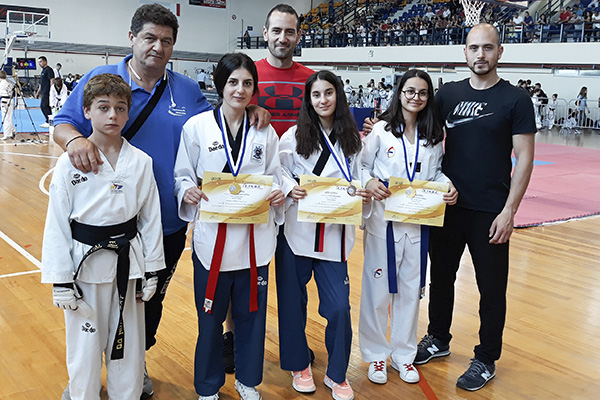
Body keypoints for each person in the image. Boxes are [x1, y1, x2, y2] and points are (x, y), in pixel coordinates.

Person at [52, 4, 270, 398]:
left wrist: (247, 104)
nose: (158, 46)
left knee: (146, 303)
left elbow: (218, 124)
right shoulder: (102, 79)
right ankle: (83, 379)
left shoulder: (185, 89)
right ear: (132, 38)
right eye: (150, 38)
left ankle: (134, 363)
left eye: (166, 41)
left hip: (164, 221)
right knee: (89, 310)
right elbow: (63, 123)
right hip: (102, 220)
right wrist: (74, 141)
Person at [413, 23, 536, 392]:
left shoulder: (516, 99)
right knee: (441, 279)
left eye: (487, 47)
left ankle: (485, 358)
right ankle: (438, 337)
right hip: (448, 204)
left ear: (500, 52)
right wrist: (381, 127)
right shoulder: (447, 94)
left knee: (491, 288)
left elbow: (525, 158)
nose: (480, 54)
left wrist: (509, 211)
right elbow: (417, 130)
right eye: (473, 48)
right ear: (464, 52)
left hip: (491, 210)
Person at [41, 73, 165, 400]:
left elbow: (150, 219)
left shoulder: (141, 162)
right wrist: (60, 279)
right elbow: (57, 222)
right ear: (86, 111)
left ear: (128, 113)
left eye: (120, 108)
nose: (113, 115)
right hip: (84, 267)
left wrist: (153, 270)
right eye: (103, 107)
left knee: (129, 345)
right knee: (84, 345)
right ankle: (83, 394)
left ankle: (128, 395)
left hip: (128, 265)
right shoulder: (69, 163)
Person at [174, 52, 284, 400]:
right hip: (212, 243)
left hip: (255, 242)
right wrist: (186, 190)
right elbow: (182, 174)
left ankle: (247, 381)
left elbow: (276, 175)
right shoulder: (196, 127)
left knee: (251, 316)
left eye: (248, 83)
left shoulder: (265, 130)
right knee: (209, 319)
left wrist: (278, 192)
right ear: (219, 85)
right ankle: (208, 387)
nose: (240, 89)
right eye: (233, 82)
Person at [358, 69, 457, 386]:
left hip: (417, 223)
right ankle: (376, 354)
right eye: (410, 91)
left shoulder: (432, 135)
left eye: (423, 93)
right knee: (377, 291)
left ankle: (404, 355)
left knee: (411, 292)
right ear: (399, 93)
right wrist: (369, 182)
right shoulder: (381, 130)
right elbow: (361, 165)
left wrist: (448, 185)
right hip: (383, 222)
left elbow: (436, 173)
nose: (416, 97)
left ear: (429, 97)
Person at [278, 70, 370, 400]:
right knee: (292, 304)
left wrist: (364, 190)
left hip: (334, 236)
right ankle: (298, 365)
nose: (322, 100)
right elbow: (278, 171)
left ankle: (337, 373)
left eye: (328, 93)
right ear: (308, 99)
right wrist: (289, 188)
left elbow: (362, 174)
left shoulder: (353, 139)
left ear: (338, 96)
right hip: (297, 234)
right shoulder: (292, 136)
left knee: (339, 307)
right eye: (316, 95)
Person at [254, 4, 314, 137]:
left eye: (289, 32)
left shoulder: (312, 80)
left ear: (298, 36)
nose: (282, 39)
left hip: (300, 150)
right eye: (276, 31)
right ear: (265, 33)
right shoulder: (247, 76)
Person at [37, 55, 54, 128]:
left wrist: (52, 91)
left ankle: (48, 121)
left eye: (40, 62)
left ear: (45, 61)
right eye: (38, 62)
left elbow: (52, 80)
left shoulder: (49, 70)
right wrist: (38, 92)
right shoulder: (43, 71)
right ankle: (50, 121)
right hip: (43, 91)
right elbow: (41, 83)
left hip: (47, 91)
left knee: (43, 106)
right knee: (46, 106)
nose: (39, 64)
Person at [0, 70, 16, 140]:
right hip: (11, 100)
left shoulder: (1, 84)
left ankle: (7, 134)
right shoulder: (9, 83)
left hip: (4, 101)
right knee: (9, 117)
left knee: (5, 118)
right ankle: (12, 130)